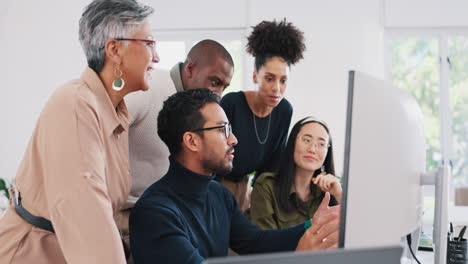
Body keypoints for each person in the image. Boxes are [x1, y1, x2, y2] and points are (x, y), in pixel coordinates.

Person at [0, 0, 158, 263]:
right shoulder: (75, 105)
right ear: (115, 49)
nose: (157, 56)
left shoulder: (114, 111)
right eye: (150, 43)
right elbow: (86, 211)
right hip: (31, 255)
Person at [129, 89, 340, 264]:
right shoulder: (155, 213)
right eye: (223, 130)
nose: (234, 139)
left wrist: (313, 225)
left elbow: (256, 242)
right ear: (192, 141)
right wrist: (299, 257)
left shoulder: (218, 194)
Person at [117, 40, 234, 239]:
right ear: (190, 69)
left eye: (224, 87)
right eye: (214, 82)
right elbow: (102, 131)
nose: (218, 94)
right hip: (121, 213)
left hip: (163, 213)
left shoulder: (197, 112)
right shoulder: (150, 86)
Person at [219, 19, 306, 212]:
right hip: (217, 187)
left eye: (283, 81)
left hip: (249, 189)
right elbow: (211, 155)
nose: (277, 88)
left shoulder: (284, 111)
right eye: (269, 78)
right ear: (254, 76)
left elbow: (274, 161)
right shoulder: (231, 103)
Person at [250, 117, 342, 230]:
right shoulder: (266, 185)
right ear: (292, 142)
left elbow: (353, 236)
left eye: (321, 144)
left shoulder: (329, 190)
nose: (312, 149)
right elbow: (266, 242)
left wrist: (339, 195)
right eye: (307, 140)